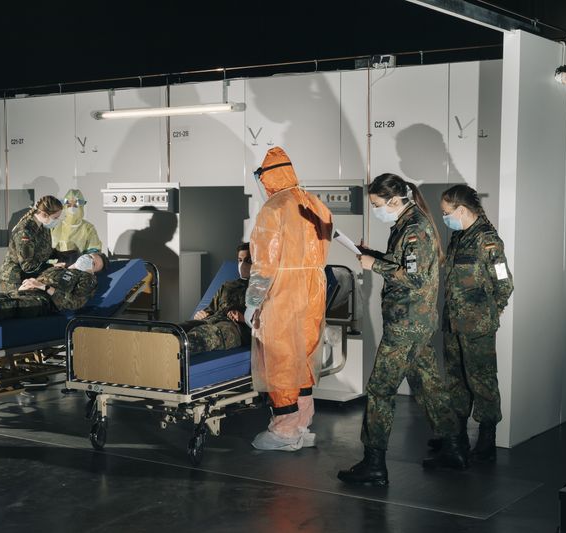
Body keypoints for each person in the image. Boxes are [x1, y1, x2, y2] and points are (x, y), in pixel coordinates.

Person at [337, 173, 466, 486]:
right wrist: (374, 256)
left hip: (406, 324)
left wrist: (375, 265)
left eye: (377, 204)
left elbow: (415, 278)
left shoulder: (414, 228)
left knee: (380, 390)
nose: (376, 210)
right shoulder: (408, 223)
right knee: (429, 384)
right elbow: (406, 265)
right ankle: (453, 448)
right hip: (416, 322)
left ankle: (374, 464)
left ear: (394, 200)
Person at [244, 146, 332, 452]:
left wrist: (253, 300)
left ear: (267, 177)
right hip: (314, 290)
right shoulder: (316, 203)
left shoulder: (274, 208)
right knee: (303, 356)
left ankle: (285, 430)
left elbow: (264, 262)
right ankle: (302, 425)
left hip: (284, 291)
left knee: (280, 358)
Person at [435, 184, 513, 462]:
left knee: (482, 381)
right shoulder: (459, 236)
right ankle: (456, 438)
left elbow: (504, 283)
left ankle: (487, 438)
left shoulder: (488, 240)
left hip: (477, 326)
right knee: (455, 380)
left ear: (461, 210)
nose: (444, 217)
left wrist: (490, 313)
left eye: (446, 212)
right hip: (453, 323)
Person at [0, 253, 108, 326]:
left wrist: (44, 287)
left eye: (94, 264)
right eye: (90, 256)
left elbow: (74, 303)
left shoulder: (87, 278)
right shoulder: (59, 267)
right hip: (24, 291)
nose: (89, 260)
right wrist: (27, 284)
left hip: (43, 301)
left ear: (93, 271)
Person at [173, 243, 252, 355]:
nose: (242, 264)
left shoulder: (261, 290)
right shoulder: (227, 286)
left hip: (235, 329)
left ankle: (171, 350)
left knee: (198, 337)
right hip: (211, 321)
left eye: (248, 261)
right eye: (240, 260)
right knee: (174, 330)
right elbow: (211, 309)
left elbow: (266, 323)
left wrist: (244, 318)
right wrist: (203, 313)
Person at [0, 195, 65, 291]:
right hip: (15, 279)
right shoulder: (25, 231)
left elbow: (46, 252)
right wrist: (51, 266)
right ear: (44, 214)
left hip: (31, 276)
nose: (57, 221)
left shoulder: (43, 227)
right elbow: (27, 266)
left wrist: (64, 256)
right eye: (55, 217)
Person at [51, 189, 103, 263]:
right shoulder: (55, 225)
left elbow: (93, 251)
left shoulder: (88, 228)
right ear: (64, 206)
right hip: (56, 265)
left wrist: (81, 263)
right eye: (69, 205)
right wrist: (53, 263)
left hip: (79, 266)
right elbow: (46, 252)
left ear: (81, 207)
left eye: (75, 205)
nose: (72, 208)